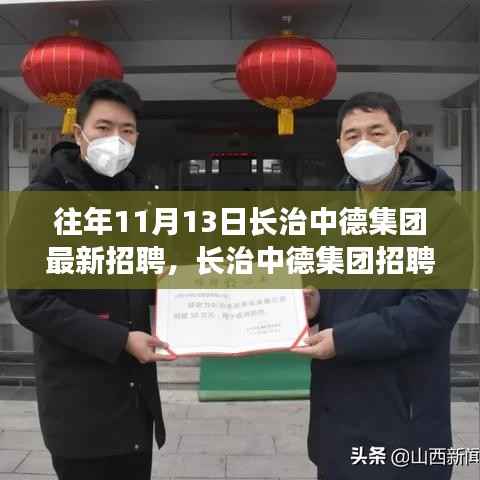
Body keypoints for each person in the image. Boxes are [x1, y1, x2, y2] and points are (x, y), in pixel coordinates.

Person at [296, 92, 472, 480]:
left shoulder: (441, 215)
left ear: (401, 140)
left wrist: (343, 339)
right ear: (340, 146)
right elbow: (328, 282)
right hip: (335, 413)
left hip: (401, 415)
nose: (364, 144)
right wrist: (314, 303)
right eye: (352, 135)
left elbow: (435, 307)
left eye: (376, 133)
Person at [7, 79, 174, 480]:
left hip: (135, 404)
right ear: (78, 131)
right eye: (104, 127)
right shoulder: (43, 199)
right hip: (80, 409)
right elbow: (30, 300)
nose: (116, 139)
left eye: (127, 130)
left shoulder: (136, 197)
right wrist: (120, 340)